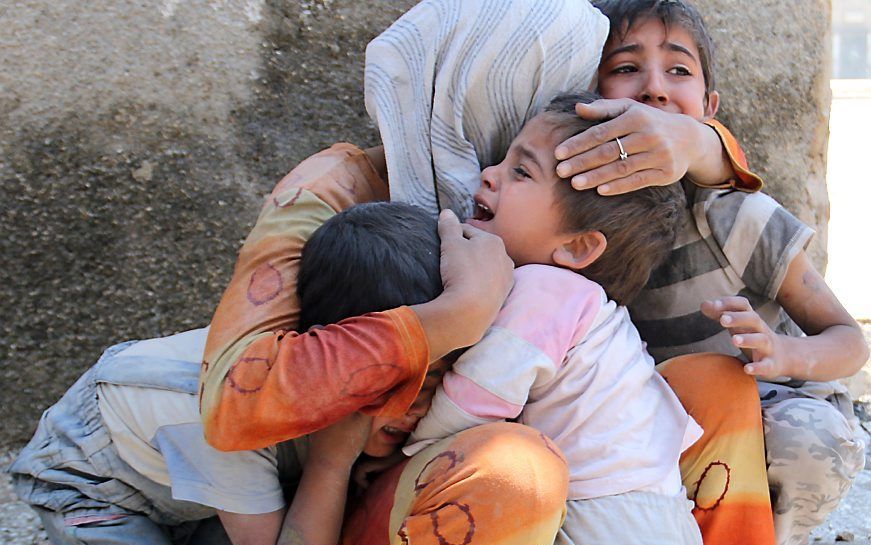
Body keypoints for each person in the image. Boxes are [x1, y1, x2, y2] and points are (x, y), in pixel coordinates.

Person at [199, 1, 781, 544]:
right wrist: (453, 316)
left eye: (581, 97)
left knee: (717, 385)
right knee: (518, 470)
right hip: (349, 468)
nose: (570, 119)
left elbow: (698, 154)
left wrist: (705, 144)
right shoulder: (337, 189)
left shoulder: (571, 188)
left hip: (546, 486)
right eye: (536, 95)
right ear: (450, 89)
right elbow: (232, 408)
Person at [559, 2, 868, 544]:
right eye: (626, 67)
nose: (654, 88)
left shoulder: (735, 217)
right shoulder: (566, 224)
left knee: (804, 438)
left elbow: (848, 339)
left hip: (768, 412)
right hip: (658, 435)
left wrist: (782, 352)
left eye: (678, 70)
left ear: (708, 108)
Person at [8, 202, 457, 545]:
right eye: (400, 387)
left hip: (186, 482)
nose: (417, 407)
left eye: (433, 383)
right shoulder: (231, 417)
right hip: (95, 486)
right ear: (328, 354)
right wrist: (332, 464)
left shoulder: (324, 371)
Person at [402, 91, 703, 545]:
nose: (488, 174)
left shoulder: (544, 289)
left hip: (603, 516)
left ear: (578, 247)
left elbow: (476, 398)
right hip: (659, 509)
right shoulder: (593, 311)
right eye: (503, 161)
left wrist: (410, 456)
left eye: (520, 171)